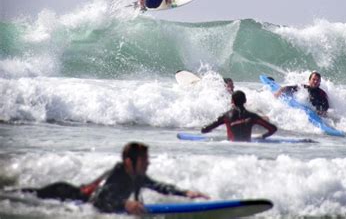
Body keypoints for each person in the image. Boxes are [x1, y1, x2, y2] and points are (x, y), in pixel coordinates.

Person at [22, 142, 209, 214]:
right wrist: (126, 204)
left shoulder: (137, 176)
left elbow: (158, 186)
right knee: (18, 196)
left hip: (73, 194)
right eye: (144, 160)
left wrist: (186, 192)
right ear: (129, 162)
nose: (148, 164)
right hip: (63, 194)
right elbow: (100, 198)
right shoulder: (118, 174)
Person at [201, 90, 277, 142]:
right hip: (247, 148)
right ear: (245, 101)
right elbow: (273, 129)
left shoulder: (226, 116)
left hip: (230, 148)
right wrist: (262, 137)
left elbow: (205, 130)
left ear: (232, 101)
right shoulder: (252, 116)